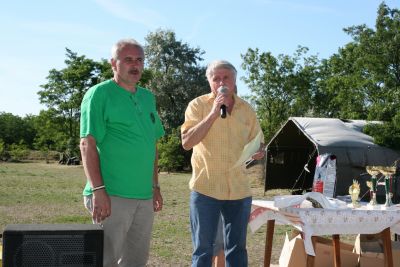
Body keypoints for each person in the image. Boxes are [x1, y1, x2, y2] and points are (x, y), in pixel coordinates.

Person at [79, 38, 165, 267]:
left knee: (136, 261)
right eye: (128, 59)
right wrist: (98, 190)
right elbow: (87, 143)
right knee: (104, 260)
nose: (135, 65)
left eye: (139, 60)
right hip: (111, 195)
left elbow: (151, 145)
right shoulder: (99, 94)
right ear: (113, 64)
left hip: (144, 197)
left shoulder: (148, 98)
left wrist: (155, 187)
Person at [181, 59, 265, 267]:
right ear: (209, 81)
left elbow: (259, 142)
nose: (221, 82)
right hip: (206, 188)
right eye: (215, 78)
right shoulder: (198, 105)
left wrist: (259, 151)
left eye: (225, 77)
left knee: (237, 249)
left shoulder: (247, 109)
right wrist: (213, 113)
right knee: (203, 249)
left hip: (239, 190)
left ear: (235, 80)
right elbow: (187, 142)